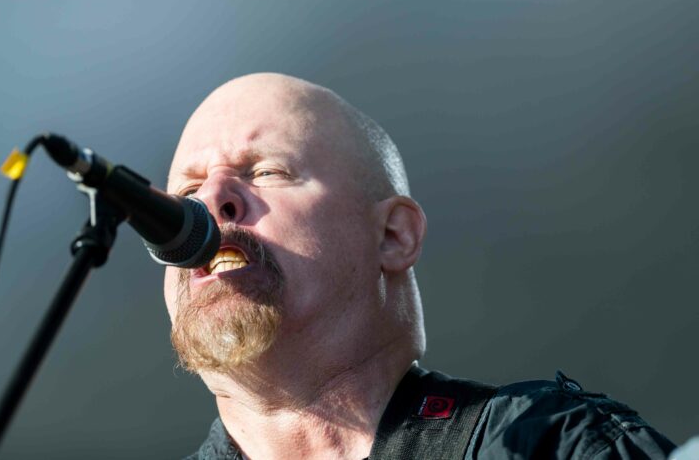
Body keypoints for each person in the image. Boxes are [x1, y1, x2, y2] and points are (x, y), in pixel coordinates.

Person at [162, 73, 675, 459]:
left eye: (266, 171)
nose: (210, 199)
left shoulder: (548, 445)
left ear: (393, 236)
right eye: (188, 191)